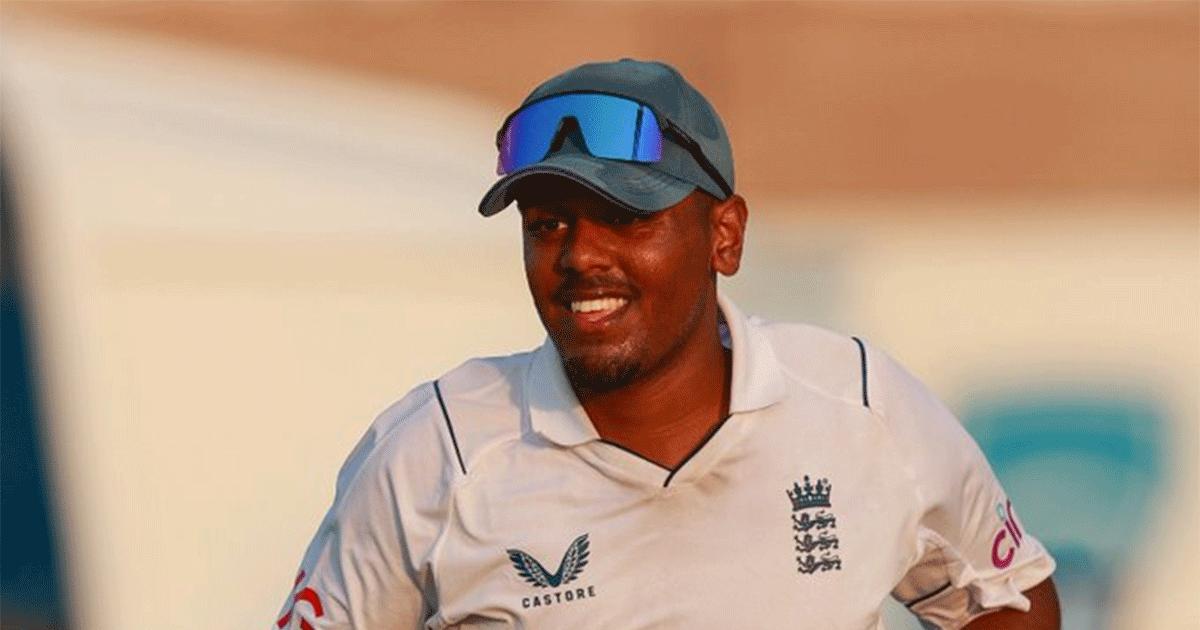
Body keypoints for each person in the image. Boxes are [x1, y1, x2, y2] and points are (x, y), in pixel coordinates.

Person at [274, 59, 1059, 629]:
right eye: (547, 224)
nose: (580, 255)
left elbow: (1009, 597)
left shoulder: (858, 403)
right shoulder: (435, 453)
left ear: (724, 235)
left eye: (626, 218)